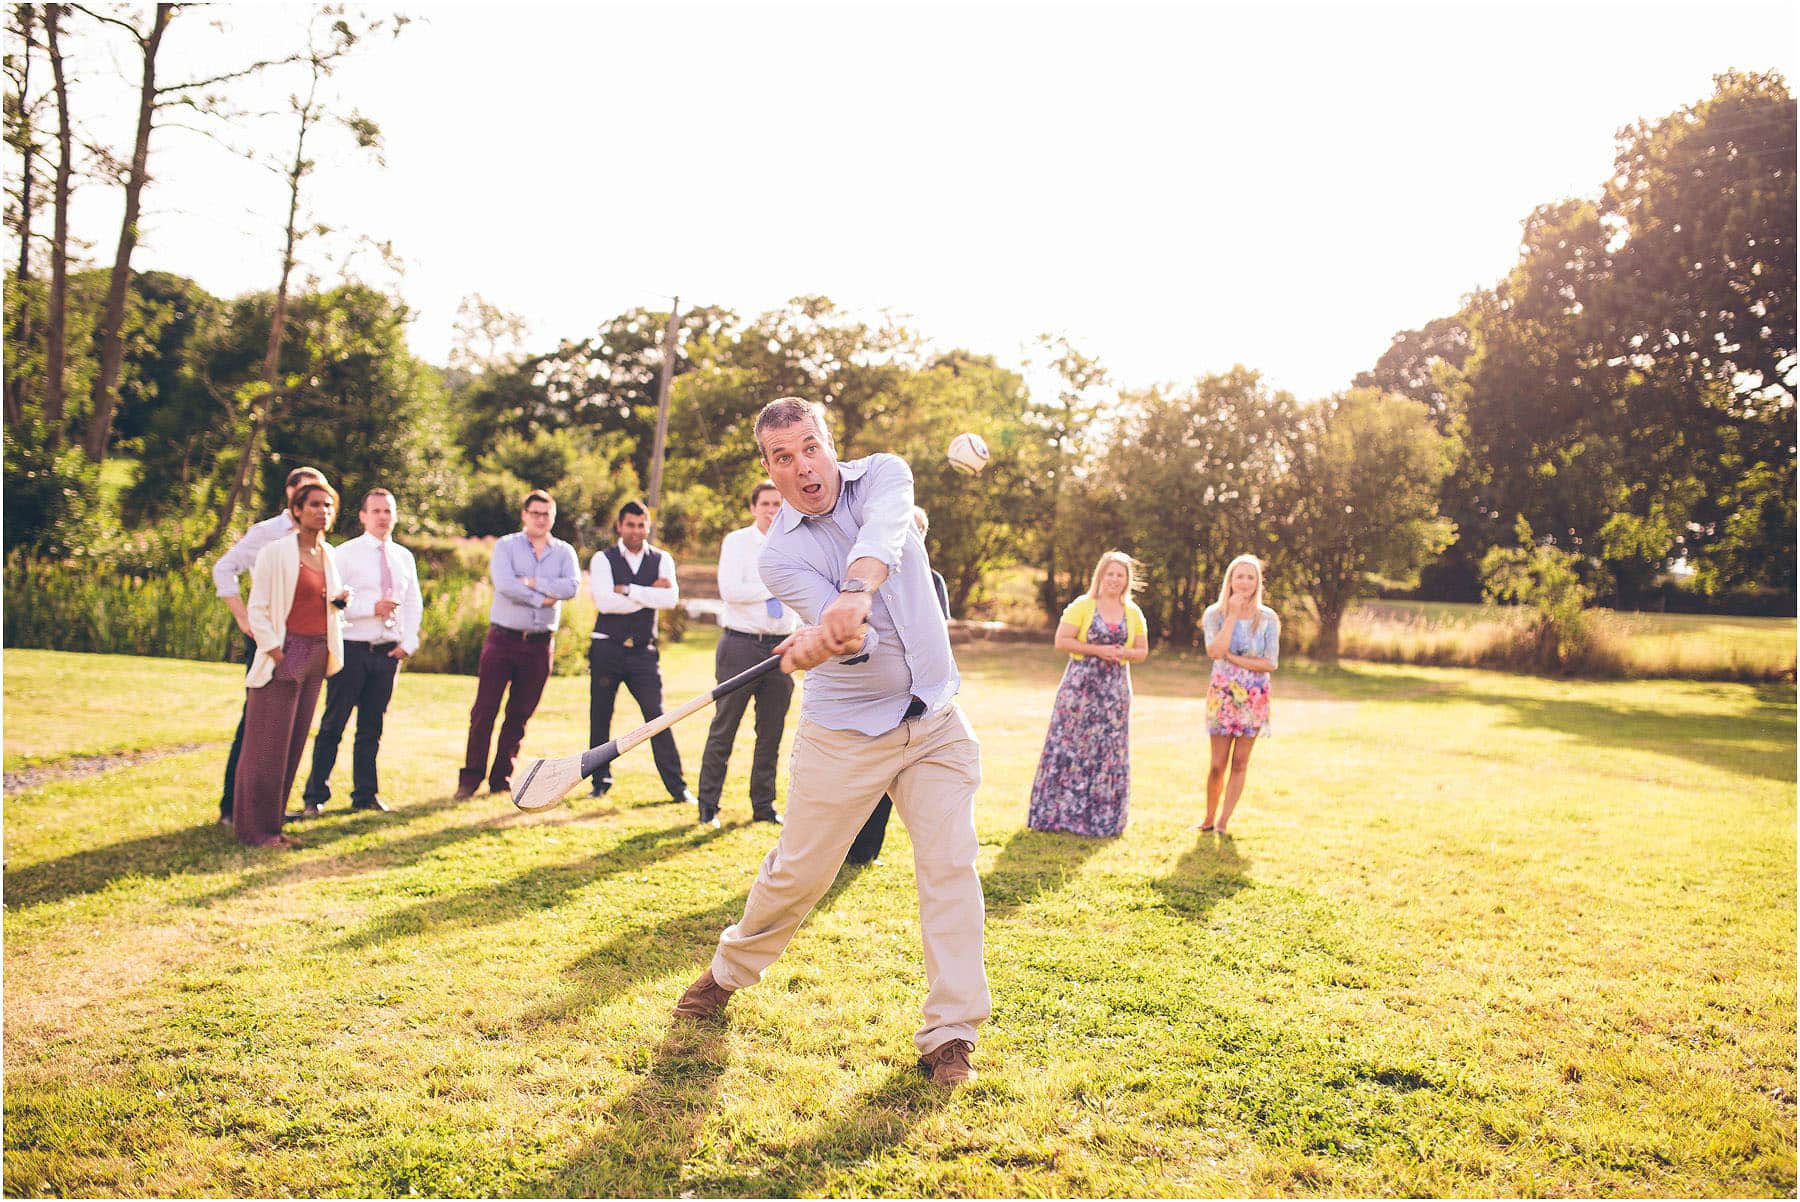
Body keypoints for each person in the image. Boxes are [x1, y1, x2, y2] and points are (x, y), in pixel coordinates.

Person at [672, 397, 989, 1088]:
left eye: (810, 447)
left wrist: (852, 592)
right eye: (783, 458)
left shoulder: (885, 476)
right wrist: (834, 636)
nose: (802, 466)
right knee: (799, 873)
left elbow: (883, 537)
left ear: (829, 443)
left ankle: (951, 1035)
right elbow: (859, 642)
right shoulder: (779, 554)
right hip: (846, 731)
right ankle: (727, 973)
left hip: (933, 718)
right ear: (768, 468)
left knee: (950, 867)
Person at [211, 464, 329, 825]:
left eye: (324, 498)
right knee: (255, 725)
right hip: (270, 642)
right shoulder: (267, 534)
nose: (318, 506)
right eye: (308, 495)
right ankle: (233, 808)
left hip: (306, 646)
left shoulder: (320, 545)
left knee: (288, 729)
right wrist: (243, 618)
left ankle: (271, 808)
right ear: (292, 496)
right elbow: (223, 568)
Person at [234, 481, 348, 847]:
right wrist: (276, 652)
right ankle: (256, 830)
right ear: (297, 510)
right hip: (286, 652)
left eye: (328, 506)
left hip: (318, 653)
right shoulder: (275, 552)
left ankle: (274, 825)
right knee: (267, 745)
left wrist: (338, 603)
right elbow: (259, 609)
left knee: (294, 743)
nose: (323, 512)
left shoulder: (328, 554)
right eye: (315, 505)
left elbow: (320, 602)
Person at [298, 488, 423, 817]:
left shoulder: (403, 557)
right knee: (333, 725)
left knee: (372, 727)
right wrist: (371, 608)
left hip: (386, 654)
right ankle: (315, 796)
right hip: (352, 649)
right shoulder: (345, 554)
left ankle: (365, 794)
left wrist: (408, 643)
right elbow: (332, 603)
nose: (383, 517)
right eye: (376, 511)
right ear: (363, 516)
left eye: (388, 511)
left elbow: (413, 603)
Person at [844, 504, 951, 865]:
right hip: (876, 689)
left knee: (897, 774)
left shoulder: (933, 581)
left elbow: (939, 634)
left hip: (919, 694)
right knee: (862, 774)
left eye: (918, 532)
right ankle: (844, 845)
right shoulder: (871, 572)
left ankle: (867, 850)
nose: (911, 538)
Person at [456, 490, 580, 800]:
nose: (540, 519)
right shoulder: (507, 546)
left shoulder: (564, 552)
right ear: (524, 515)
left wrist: (532, 581)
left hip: (539, 645)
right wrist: (543, 596)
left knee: (520, 714)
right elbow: (506, 584)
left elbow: (572, 586)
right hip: (503, 640)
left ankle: (502, 778)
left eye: (546, 514)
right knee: (484, 711)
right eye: (535, 513)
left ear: (553, 517)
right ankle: (470, 779)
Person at [694, 481, 797, 827]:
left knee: (771, 732)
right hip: (740, 645)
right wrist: (778, 584)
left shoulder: (798, 541)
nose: (772, 509)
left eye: (778, 503)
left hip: (781, 648)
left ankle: (764, 806)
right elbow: (731, 591)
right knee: (725, 727)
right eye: (766, 503)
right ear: (754, 508)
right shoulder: (737, 542)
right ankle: (708, 805)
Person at [1026, 551, 1150, 837]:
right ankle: (1056, 815)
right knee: (1070, 745)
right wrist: (1098, 650)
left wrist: (1122, 653)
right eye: (1110, 574)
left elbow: (1142, 651)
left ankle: (1101, 819)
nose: (1115, 580)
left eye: (1121, 575)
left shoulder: (1133, 613)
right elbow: (1062, 640)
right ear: (1100, 576)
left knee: (1107, 750)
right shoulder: (1082, 606)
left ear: (1127, 580)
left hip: (1114, 692)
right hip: (1079, 690)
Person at [587, 500, 697, 805]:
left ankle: (677, 787)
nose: (637, 530)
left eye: (642, 524)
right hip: (606, 647)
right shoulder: (602, 558)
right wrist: (650, 593)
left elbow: (670, 598)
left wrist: (627, 589)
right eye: (631, 524)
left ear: (648, 526)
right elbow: (605, 603)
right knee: (600, 716)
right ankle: (600, 780)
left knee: (657, 717)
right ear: (620, 527)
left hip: (642, 654)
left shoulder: (662, 559)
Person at [1200, 553, 1280, 834]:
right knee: (1217, 764)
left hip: (1254, 699)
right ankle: (1208, 818)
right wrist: (1232, 615)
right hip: (1222, 695)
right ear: (1230, 580)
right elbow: (1214, 651)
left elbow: (1270, 663)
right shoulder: (1214, 614)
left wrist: (1232, 659)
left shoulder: (1268, 618)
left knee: (1240, 762)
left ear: (1257, 582)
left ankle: (1223, 822)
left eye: (1250, 577)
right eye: (1239, 576)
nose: (1244, 582)